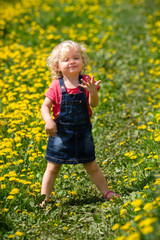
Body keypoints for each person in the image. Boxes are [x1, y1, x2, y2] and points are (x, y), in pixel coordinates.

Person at [40, 40, 120, 206]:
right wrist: (48, 120)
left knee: (91, 165)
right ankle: (43, 199)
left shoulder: (87, 82)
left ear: (83, 61)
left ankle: (107, 192)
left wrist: (92, 92)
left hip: (83, 133)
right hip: (61, 133)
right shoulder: (56, 85)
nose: (72, 62)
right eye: (66, 59)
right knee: (53, 166)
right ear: (57, 66)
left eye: (76, 58)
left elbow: (94, 104)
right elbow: (45, 106)